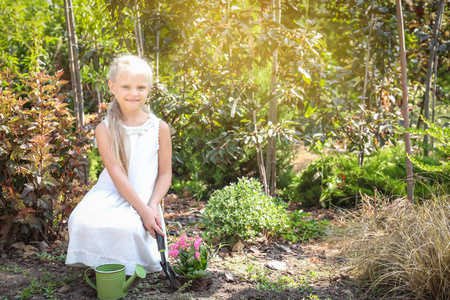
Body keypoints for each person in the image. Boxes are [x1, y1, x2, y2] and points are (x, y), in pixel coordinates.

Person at [65, 55, 172, 275]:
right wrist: (141, 209)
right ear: (112, 87)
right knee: (81, 220)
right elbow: (115, 173)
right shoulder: (104, 129)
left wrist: (151, 206)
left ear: (149, 89)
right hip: (112, 193)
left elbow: (165, 174)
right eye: (126, 86)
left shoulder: (159, 128)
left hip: (144, 197)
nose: (134, 93)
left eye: (140, 87)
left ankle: (126, 266)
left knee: (129, 228)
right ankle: (103, 266)